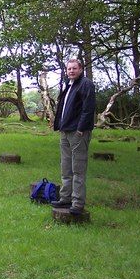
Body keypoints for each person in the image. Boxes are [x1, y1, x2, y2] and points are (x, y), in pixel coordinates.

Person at [51, 59, 96, 215]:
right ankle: (65, 198)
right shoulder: (70, 85)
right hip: (65, 131)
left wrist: (81, 129)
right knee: (66, 168)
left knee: (78, 169)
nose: (71, 71)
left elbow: (89, 108)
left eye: (74, 68)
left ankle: (77, 203)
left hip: (78, 132)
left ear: (81, 69)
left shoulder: (85, 84)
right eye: (69, 68)